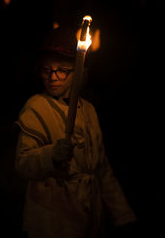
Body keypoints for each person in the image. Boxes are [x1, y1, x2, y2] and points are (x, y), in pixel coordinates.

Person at [14, 26, 137, 238]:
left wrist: (123, 216)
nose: (53, 77)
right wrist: (50, 156)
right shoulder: (36, 107)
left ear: (77, 72)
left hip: (89, 218)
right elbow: (23, 164)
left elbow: (102, 170)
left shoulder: (88, 110)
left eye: (62, 70)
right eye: (46, 69)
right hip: (52, 220)